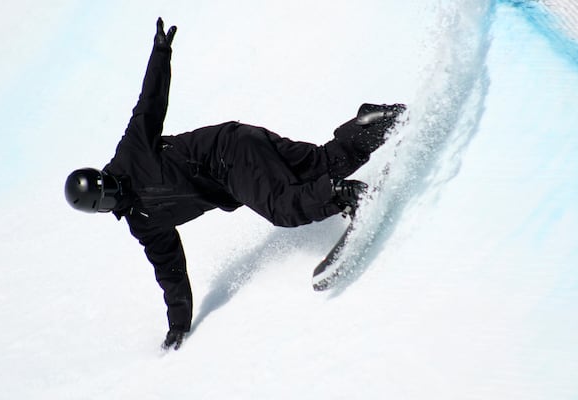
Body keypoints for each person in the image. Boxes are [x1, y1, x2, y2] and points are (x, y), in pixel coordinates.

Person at [64, 18, 406, 350]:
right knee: (319, 165)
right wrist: (178, 325)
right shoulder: (144, 224)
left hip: (227, 156)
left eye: (107, 183)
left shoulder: (131, 152)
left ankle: (345, 197)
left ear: (102, 175)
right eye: (106, 195)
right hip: (238, 146)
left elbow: (149, 104)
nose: (113, 189)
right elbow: (170, 270)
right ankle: (374, 123)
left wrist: (160, 54)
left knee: (283, 208)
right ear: (100, 207)